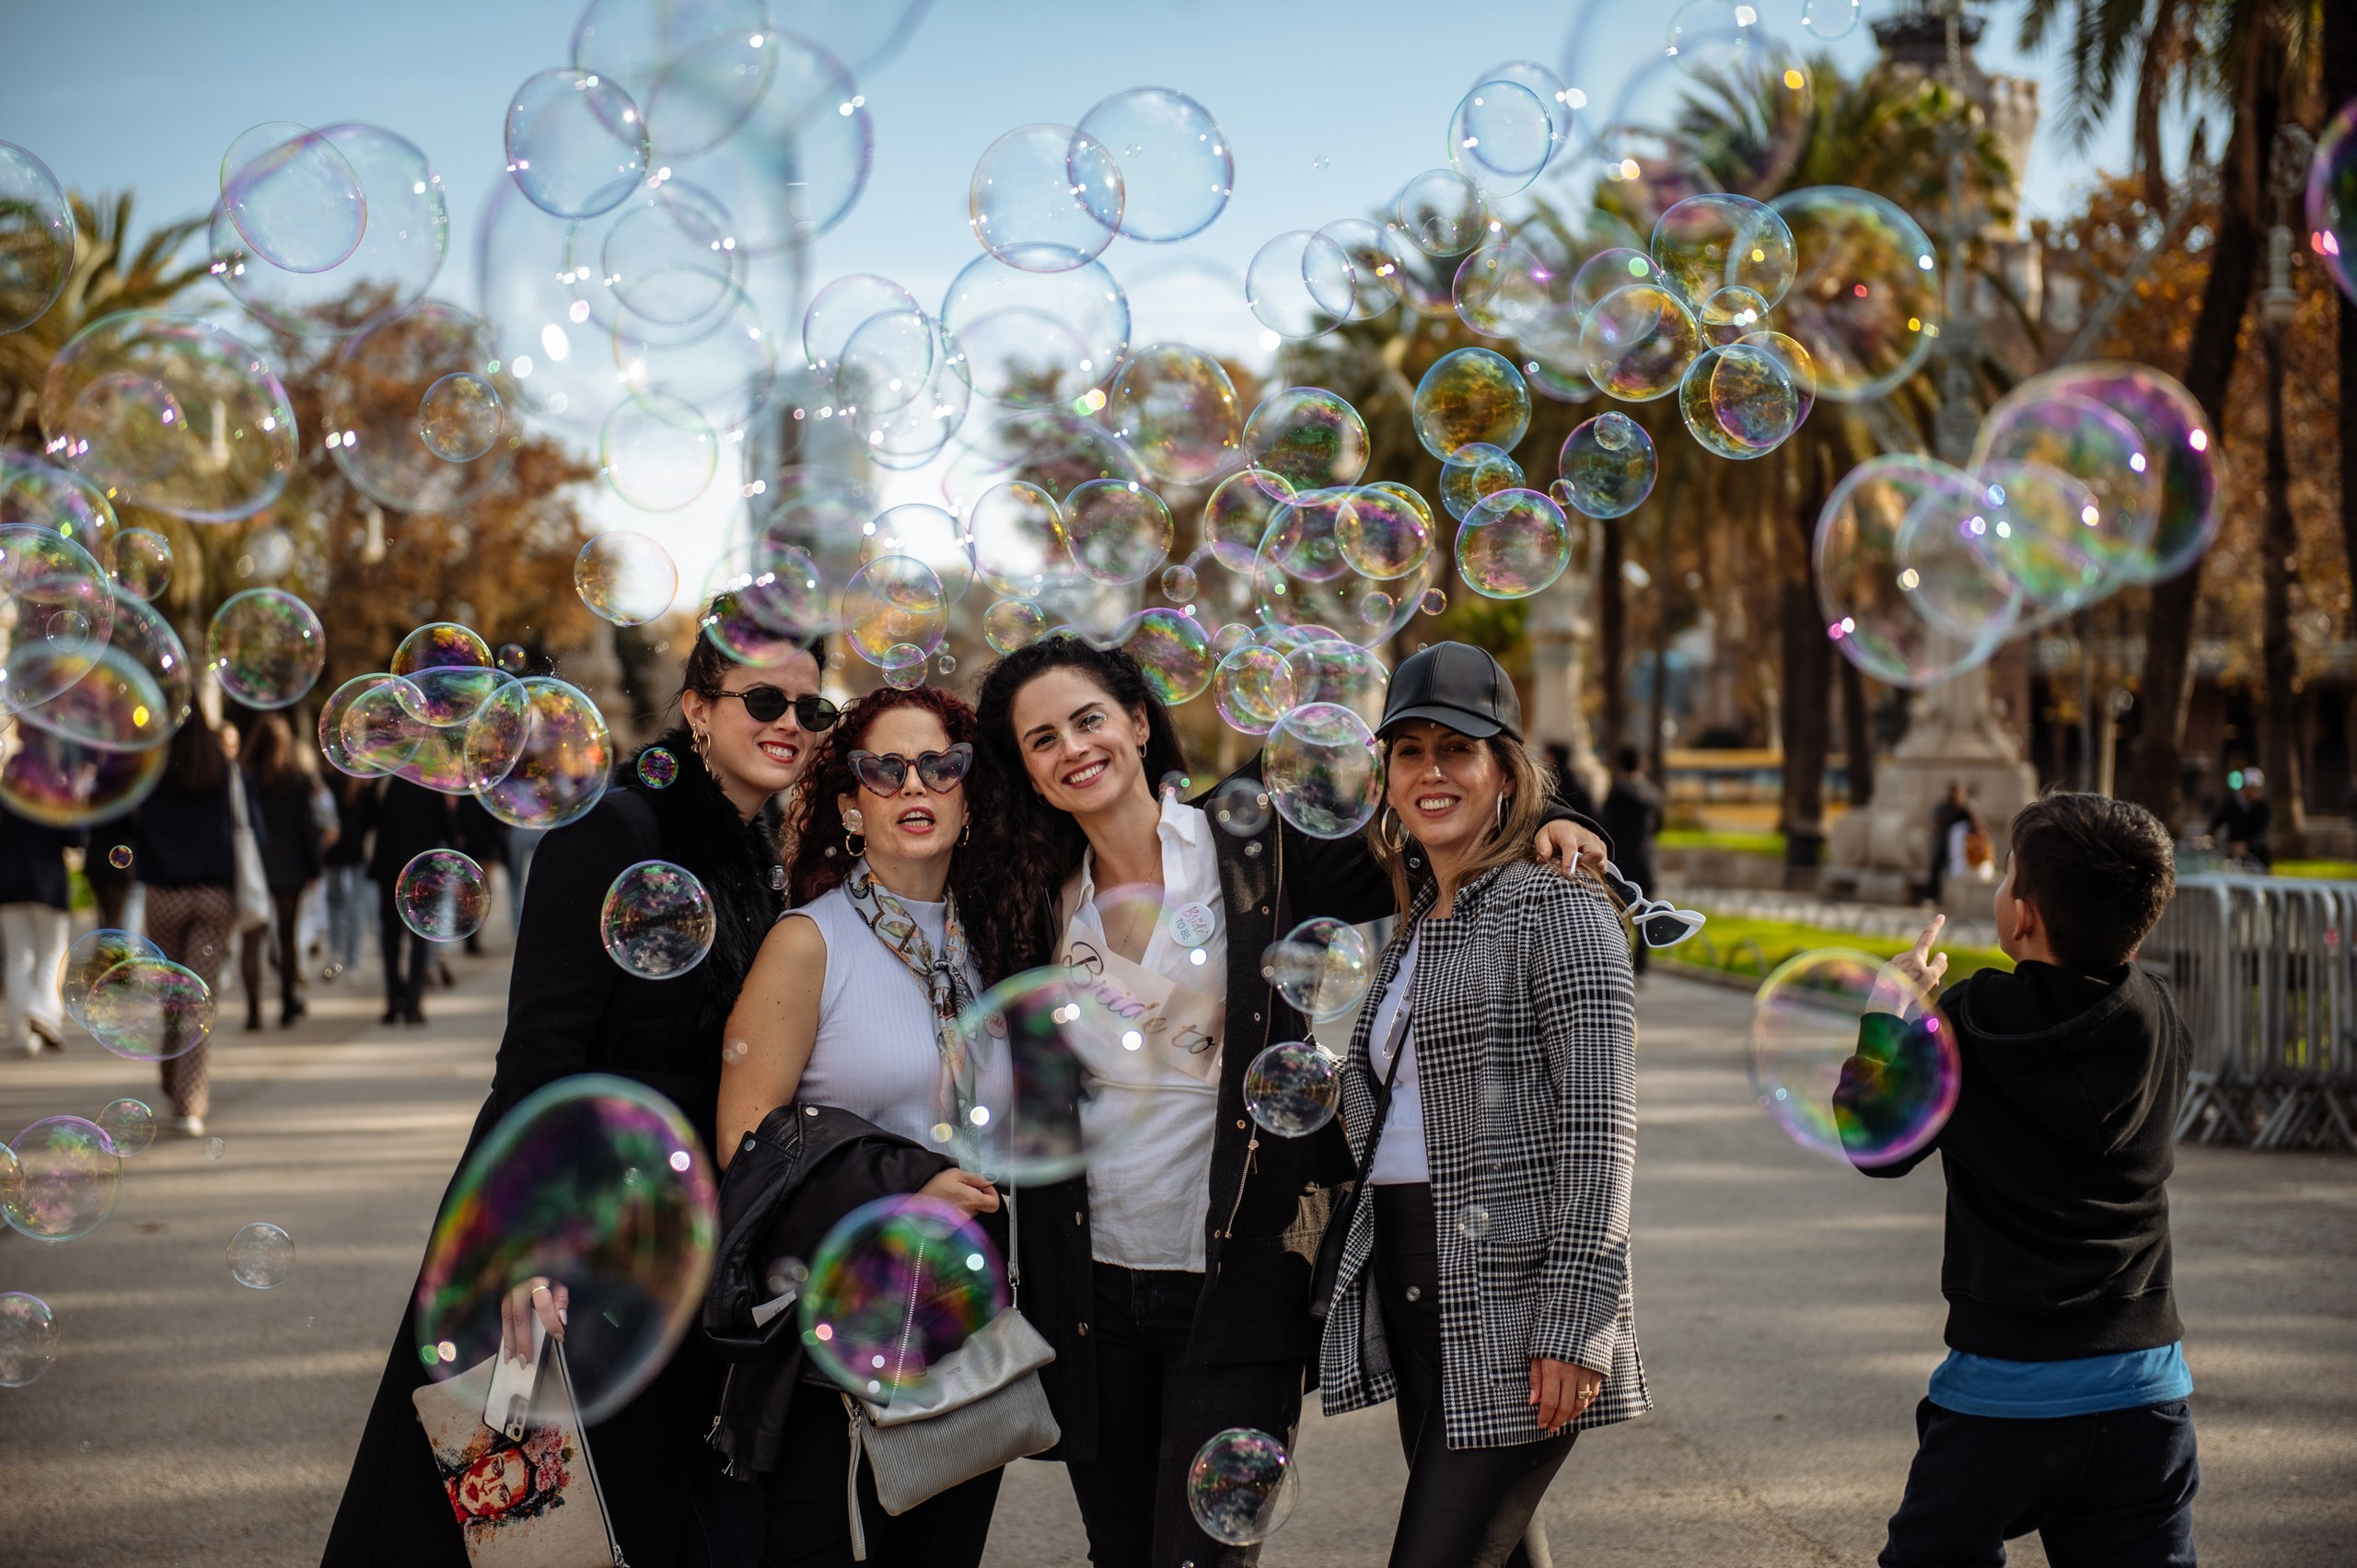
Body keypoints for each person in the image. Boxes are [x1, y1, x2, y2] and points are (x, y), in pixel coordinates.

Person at [963, 636, 1608, 1568]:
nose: (1073, 747)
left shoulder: (1257, 845)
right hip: (1090, 1292)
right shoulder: (1027, 899)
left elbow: (1432, 845)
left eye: (1090, 718)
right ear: (1024, 766)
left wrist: (1566, 823)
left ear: (1140, 723)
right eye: (1042, 738)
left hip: (1237, 1280)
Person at [326, 622, 830, 1568]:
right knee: (521, 1513)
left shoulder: (755, 849)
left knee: (625, 1509)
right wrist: (525, 1248)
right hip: (574, 1218)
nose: (790, 722)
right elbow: (539, 1059)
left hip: (674, 1229)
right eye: (763, 700)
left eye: (811, 707)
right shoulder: (618, 825)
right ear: (697, 710)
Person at [1317, 643, 1648, 1568]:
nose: (1431, 770)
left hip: (1514, 1304)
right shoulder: (1422, 914)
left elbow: (1599, 1127)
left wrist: (1577, 1318)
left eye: (1456, 749)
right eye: (1409, 749)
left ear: (1504, 770)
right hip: (1418, 1290)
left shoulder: (1559, 905)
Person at [1838, 794, 2196, 1566]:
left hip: (2003, 1394)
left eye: (2005, 878)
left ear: (2023, 917)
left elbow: (1877, 1146)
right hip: (2144, 1389)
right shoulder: (2159, 1014)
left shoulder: (1971, 1021)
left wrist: (1890, 1022)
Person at [710, 686, 1012, 1567]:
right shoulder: (810, 941)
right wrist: (904, 1184)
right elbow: (747, 1138)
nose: (914, 783)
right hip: (833, 1335)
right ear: (850, 804)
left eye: (941, 764)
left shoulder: (993, 942)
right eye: (885, 768)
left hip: (959, 1325)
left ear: (968, 792)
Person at [131, 719, 245, 1137]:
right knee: (199, 1002)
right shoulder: (222, 764)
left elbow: (129, 824)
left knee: (173, 995)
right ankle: (190, 1103)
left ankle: (170, 1073)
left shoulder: (151, 763)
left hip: (164, 894)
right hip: (215, 894)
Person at [241, 713, 324, 1028]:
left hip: (254, 863)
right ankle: (288, 1003)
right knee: (287, 938)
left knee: (253, 940)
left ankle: (253, 1012)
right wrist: (314, 868)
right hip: (289, 865)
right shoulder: (296, 779)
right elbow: (307, 828)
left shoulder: (245, 777)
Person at [368, 776, 454, 1025]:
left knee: (391, 938)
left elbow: (366, 818)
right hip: (422, 870)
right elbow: (447, 825)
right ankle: (414, 1004)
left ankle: (394, 999)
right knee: (419, 937)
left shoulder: (384, 781)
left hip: (389, 868)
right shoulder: (429, 781)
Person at [0, 801, 80, 1055]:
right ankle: (43, 1011)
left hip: (8, 882)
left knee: (17, 957)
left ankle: (22, 1035)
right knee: (52, 953)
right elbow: (75, 838)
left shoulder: (7, 791)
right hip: (48, 881)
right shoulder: (51, 792)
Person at [1598, 747, 1664, 976]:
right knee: (1647, 914)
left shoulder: (1617, 794)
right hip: (1646, 860)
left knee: (1616, 914)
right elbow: (1658, 827)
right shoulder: (1653, 794)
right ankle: (1642, 965)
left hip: (1622, 864)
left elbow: (1605, 827)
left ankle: (1617, 962)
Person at [322, 769, 374, 982]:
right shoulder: (363, 784)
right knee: (356, 907)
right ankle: (352, 962)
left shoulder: (327, 780)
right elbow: (372, 818)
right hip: (356, 850)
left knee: (336, 903)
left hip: (333, 850)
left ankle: (336, 955)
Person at [2207, 767, 2271, 869]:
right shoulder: (2231, 803)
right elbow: (2217, 821)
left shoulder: (2263, 807)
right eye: (2251, 788)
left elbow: (2264, 830)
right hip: (2232, 848)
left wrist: (2246, 844)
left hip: (2256, 852)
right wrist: (2210, 836)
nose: (2253, 792)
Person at [1926, 782, 1970, 901]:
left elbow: (1977, 824)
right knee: (1936, 870)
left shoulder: (1965, 808)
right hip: (1943, 843)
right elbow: (1937, 822)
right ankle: (1933, 897)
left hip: (1958, 848)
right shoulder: (1943, 807)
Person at [1542, 741, 1598, 820]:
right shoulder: (1578, 790)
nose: (1543, 760)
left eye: (1547, 757)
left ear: (1553, 760)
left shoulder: (1551, 790)